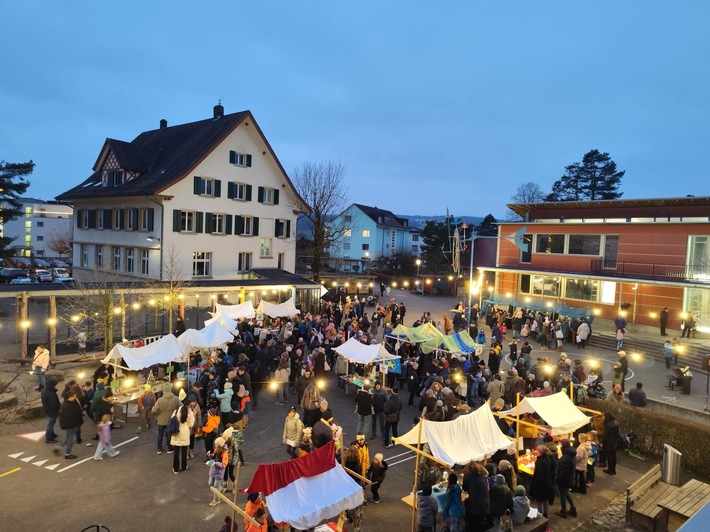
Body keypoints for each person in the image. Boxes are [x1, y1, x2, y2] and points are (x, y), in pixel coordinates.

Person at [152, 385, 182, 454]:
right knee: (169, 435)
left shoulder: (160, 400)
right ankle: (169, 448)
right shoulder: (175, 398)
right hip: (171, 420)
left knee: (160, 434)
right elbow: (181, 407)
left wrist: (158, 413)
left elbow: (154, 410)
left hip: (161, 420)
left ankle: (159, 449)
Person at [462, 461, 490, 532]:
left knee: (473, 524)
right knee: (479, 523)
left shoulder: (468, 477)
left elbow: (465, 488)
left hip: (475, 505)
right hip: (485, 504)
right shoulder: (483, 476)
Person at [529, 445, 553, 518]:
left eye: (537, 450)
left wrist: (535, 485)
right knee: (545, 499)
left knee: (539, 501)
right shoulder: (547, 458)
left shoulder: (541, 462)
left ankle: (540, 516)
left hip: (540, 484)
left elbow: (539, 475)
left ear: (540, 452)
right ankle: (545, 514)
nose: (536, 452)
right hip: (546, 482)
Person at [58, 390, 84, 459]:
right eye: (74, 396)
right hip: (70, 425)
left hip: (72, 424)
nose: (75, 397)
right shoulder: (66, 406)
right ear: (70, 397)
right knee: (71, 439)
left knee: (69, 437)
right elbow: (65, 417)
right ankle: (68, 454)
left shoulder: (70, 403)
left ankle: (59, 447)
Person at [170, 402, 195, 473]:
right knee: (184, 452)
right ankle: (184, 467)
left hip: (176, 432)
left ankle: (175, 469)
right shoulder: (189, 412)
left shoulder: (177, 410)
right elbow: (191, 424)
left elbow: (172, 419)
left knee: (176, 452)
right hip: (185, 433)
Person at [207, 437, 228, 506]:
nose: (215, 445)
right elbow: (213, 457)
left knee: (216, 486)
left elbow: (224, 464)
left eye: (216, 444)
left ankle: (216, 500)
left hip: (219, 472)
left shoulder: (224, 453)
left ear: (219, 445)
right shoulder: (217, 449)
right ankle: (220, 489)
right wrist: (209, 455)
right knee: (210, 483)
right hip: (213, 470)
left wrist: (216, 463)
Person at [41, 379, 60, 444]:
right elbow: (54, 404)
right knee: (50, 424)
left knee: (51, 423)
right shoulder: (51, 394)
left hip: (47, 410)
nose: (56, 386)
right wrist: (58, 410)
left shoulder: (44, 391)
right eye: (55, 385)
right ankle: (48, 438)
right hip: (52, 411)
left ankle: (52, 434)